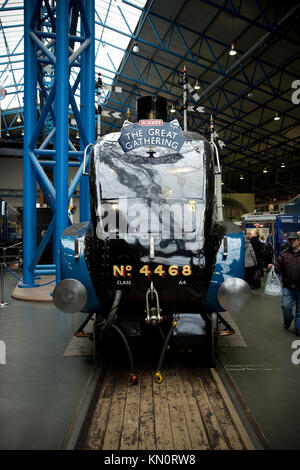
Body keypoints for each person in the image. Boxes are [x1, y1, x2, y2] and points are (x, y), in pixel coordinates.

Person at [268, 232, 300, 336]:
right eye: (290, 240)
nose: (291, 241)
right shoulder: (284, 254)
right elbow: (278, 267)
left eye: (294, 239)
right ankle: (288, 320)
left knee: (299, 312)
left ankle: (298, 328)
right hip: (288, 287)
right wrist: (273, 267)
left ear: (298, 240)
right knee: (286, 307)